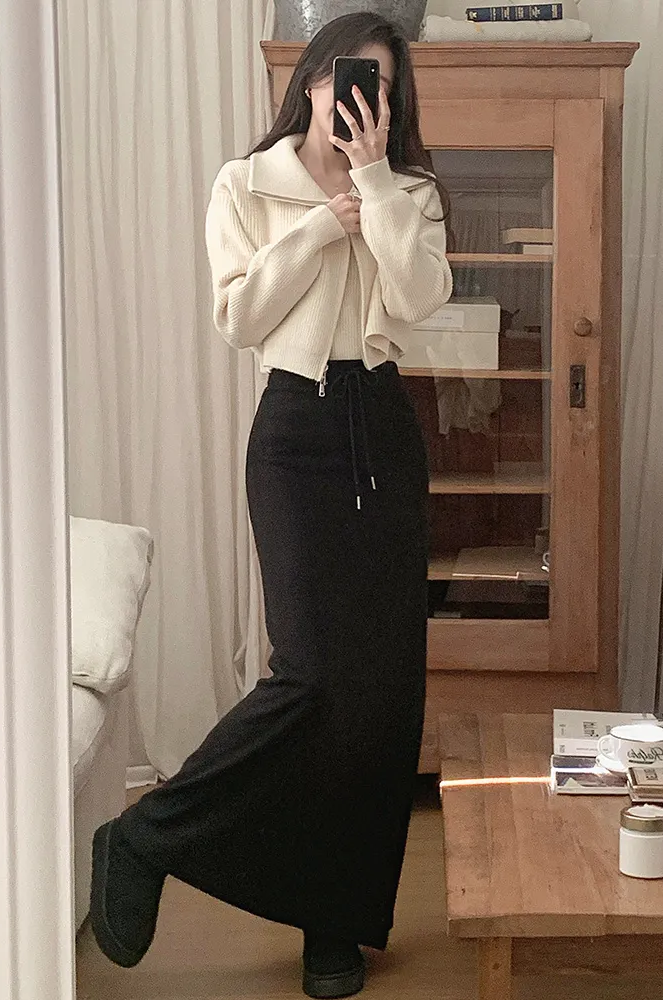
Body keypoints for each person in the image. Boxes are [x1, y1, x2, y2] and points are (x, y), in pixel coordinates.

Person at [89, 12, 451, 999]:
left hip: (383, 429)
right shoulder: (245, 185)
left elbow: (419, 299)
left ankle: (335, 924)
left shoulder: (410, 189)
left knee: (380, 698)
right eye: (349, 79)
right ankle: (145, 835)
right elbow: (240, 315)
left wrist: (375, 185)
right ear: (312, 80)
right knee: (310, 675)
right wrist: (319, 224)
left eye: (383, 87)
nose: (362, 100)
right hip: (294, 434)